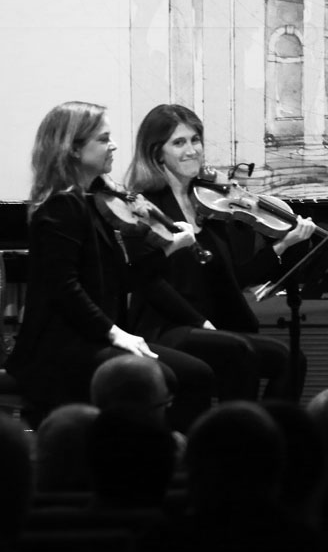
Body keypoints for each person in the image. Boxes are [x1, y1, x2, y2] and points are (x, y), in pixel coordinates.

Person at [5, 102, 214, 430]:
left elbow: (121, 278)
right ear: (72, 149)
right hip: (62, 347)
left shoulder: (92, 202)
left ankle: (172, 460)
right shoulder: (60, 207)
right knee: (162, 378)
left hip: (92, 336)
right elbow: (64, 288)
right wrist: (115, 333)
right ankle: (141, 458)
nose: (113, 145)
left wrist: (170, 249)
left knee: (197, 373)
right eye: (103, 139)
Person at [125, 103, 315, 401]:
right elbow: (150, 283)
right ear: (156, 152)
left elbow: (235, 277)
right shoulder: (144, 206)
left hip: (214, 324)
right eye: (179, 142)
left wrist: (283, 245)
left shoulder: (211, 203)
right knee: (239, 353)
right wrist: (200, 323)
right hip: (167, 326)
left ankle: (266, 438)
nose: (192, 150)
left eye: (195, 140)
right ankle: (232, 437)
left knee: (292, 359)